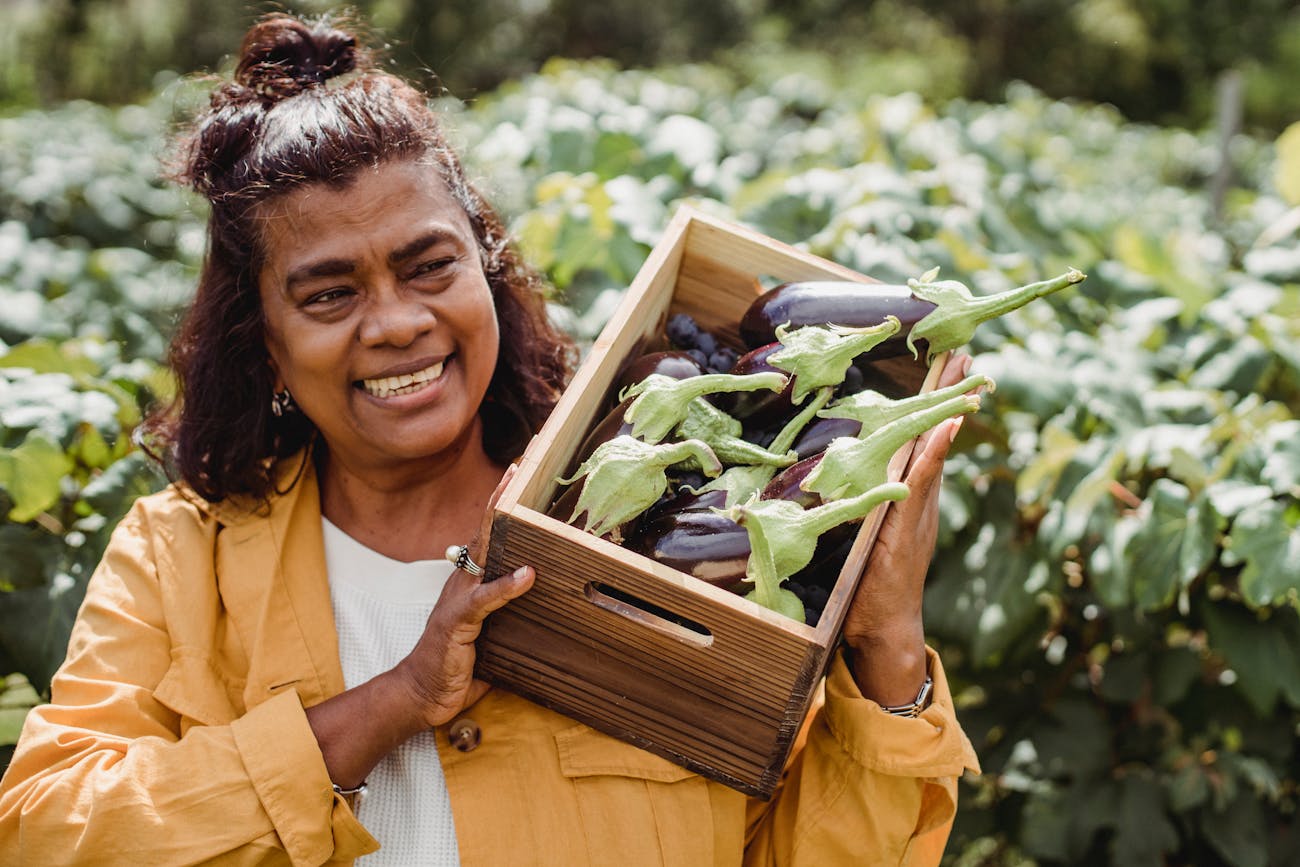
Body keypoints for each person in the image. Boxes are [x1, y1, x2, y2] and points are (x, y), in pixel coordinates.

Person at [0, 12, 979, 866]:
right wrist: (389, 703)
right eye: (330, 292)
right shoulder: (180, 561)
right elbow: (46, 834)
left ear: (487, 273)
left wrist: (886, 641)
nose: (394, 323)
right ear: (263, 341)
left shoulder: (658, 520)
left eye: (429, 266)